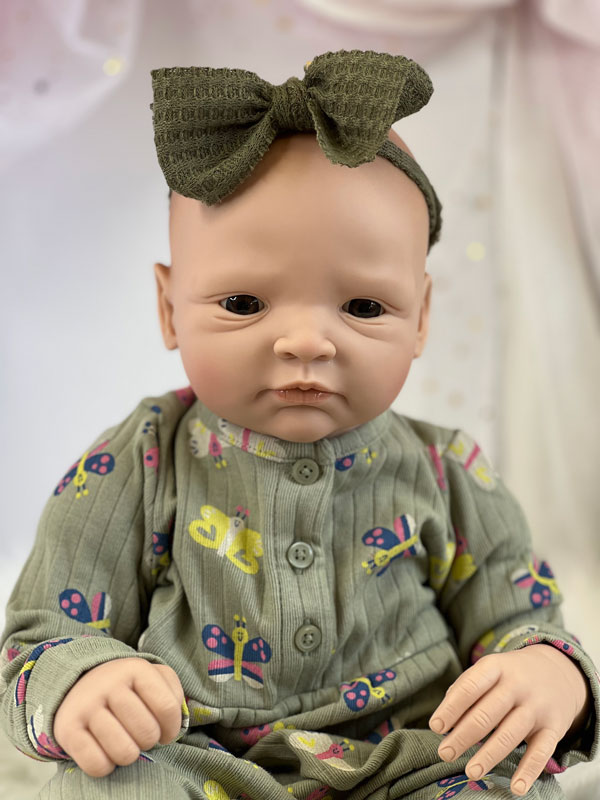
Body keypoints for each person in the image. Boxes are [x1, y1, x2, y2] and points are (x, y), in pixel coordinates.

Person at [1, 49, 597, 800]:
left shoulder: (447, 471)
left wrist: (549, 671)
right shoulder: (143, 459)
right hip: (193, 756)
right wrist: (79, 683)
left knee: (506, 785)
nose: (308, 341)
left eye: (364, 307)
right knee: (105, 784)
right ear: (168, 307)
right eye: (244, 304)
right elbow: (41, 633)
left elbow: (518, 615)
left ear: (421, 318)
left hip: (415, 760)